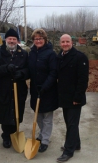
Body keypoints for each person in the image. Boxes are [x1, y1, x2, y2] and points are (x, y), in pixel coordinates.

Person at [0, 28, 29, 148]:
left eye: (14, 39)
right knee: (5, 113)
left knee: (17, 112)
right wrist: (6, 68)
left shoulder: (23, 54)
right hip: (4, 89)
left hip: (19, 89)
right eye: (9, 38)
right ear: (5, 39)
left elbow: (29, 70)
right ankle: (6, 136)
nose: (11, 41)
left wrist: (22, 74)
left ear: (17, 40)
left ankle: (15, 133)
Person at [56, 34, 89, 162]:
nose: (65, 44)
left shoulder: (80, 57)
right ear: (60, 43)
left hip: (75, 97)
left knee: (72, 124)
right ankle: (76, 144)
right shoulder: (60, 57)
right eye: (63, 42)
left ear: (72, 43)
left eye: (67, 41)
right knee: (70, 123)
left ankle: (68, 150)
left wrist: (78, 97)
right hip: (64, 97)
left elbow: (83, 80)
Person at [28, 28, 58, 153]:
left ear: (45, 40)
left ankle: (45, 140)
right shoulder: (31, 53)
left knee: (47, 116)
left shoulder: (51, 54)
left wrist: (45, 86)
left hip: (48, 90)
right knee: (38, 114)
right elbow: (29, 70)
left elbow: (53, 72)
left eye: (40, 38)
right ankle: (41, 134)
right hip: (35, 90)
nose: (38, 40)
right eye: (36, 39)